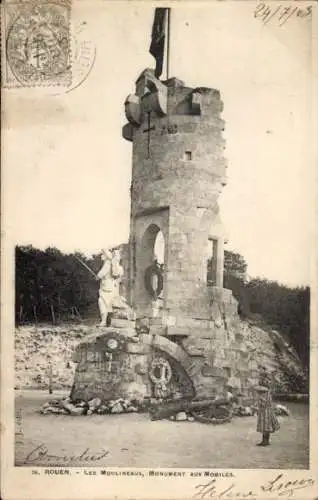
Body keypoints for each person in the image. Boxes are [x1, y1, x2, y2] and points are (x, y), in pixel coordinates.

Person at [96, 248, 123, 327]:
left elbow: (101, 274)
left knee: (102, 302)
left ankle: (103, 322)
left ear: (106, 256)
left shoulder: (107, 263)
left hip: (106, 287)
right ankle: (108, 322)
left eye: (103, 254)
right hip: (111, 286)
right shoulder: (113, 264)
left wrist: (97, 277)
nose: (101, 256)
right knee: (109, 305)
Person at [255, 369, 280, 446]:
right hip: (268, 410)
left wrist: (258, 406)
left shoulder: (264, 394)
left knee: (265, 426)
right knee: (267, 426)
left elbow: (263, 403)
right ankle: (266, 441)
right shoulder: (267, 393)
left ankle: (265, 441)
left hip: (264, 411)